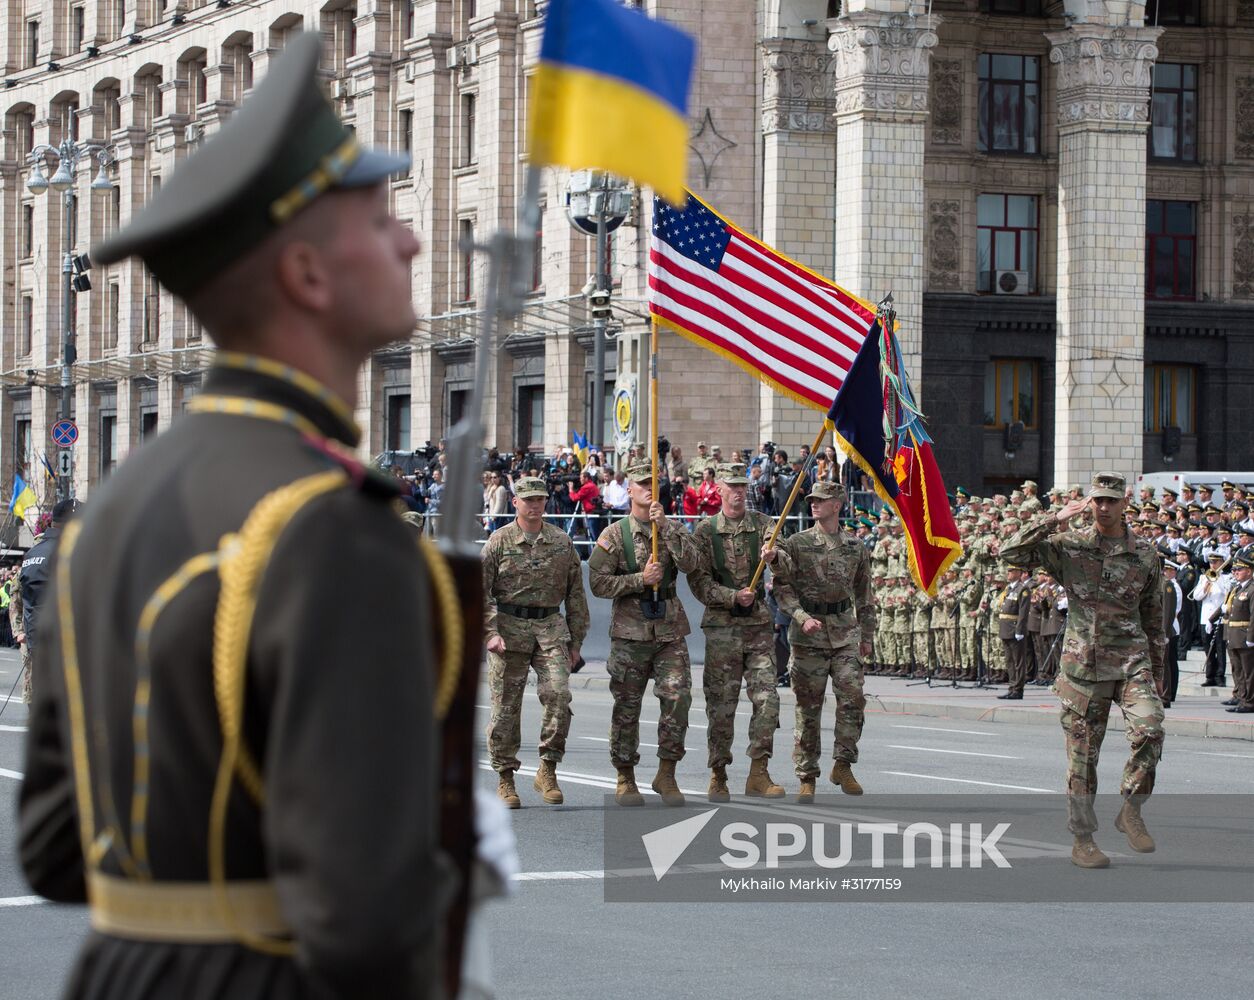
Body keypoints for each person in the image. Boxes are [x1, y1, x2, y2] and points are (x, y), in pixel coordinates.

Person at [19, 37, 462, 998]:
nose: (413, 241)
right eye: (383, 221)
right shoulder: (332, 526)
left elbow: (55, 848)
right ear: (307, 275)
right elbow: (367, 922)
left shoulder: (102, 515)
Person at [1001, 472, 1166, 870]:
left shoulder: (1144, 554)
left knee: (1151, 729)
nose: (1104, 507)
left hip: (1131, 662)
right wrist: (1054, 519)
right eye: (1098, 501)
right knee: (1082, 760)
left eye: (1111, 500)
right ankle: (1084, 839)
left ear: (1125, 503)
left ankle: (1131, 807)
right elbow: (1010, 552)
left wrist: (1158, 670)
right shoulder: (1069, 546)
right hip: (1082, 668)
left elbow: (1153, 615)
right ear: (1089, 503)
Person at [588, 462, 700, 806]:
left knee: (678, 699)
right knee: (627, 706)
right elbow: (597, 582)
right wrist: (639, 580)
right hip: (630, 633)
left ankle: (667, 772)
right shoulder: (614, 535)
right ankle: (625, 775)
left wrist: (666, 527)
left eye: (654, 483)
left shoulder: (671, 527)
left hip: (668, 630)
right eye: (642, 483)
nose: (649, 488)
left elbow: (692, 564)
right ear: (630, 490)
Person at [482, 476, 589, 808]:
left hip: (549, 629)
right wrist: (490, 632)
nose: (534, 504)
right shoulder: (499, 542)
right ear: (515, 503)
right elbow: (478, 593)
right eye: (528, 499)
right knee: (505, 710)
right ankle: (505, 778)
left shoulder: (561, 542)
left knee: (559, 695)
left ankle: (548, 768)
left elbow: (575, 595)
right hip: (508, 631)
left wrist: (576, 643)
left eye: (540, 499)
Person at [768, 481, 875, 802]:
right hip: (808, 636)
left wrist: (867, 636)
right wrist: (801, 616)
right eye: (812, 500)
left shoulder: (856, 547)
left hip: (845, 632)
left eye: (821, 500)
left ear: (838, 505)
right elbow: (781, 587)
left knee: (853, 699)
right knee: (808, 708)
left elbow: (865, 596)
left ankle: (843, 763)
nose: (814, 504)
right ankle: (807, 776)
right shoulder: (798, 543)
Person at [687, 464, 785, 801]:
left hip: (757, 625)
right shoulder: (705, 530)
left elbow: (785, 557)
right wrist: (731, 596)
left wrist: (775, 557)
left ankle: (759, 770)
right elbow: (698, 581)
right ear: (719, 489)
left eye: (743, 485)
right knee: (721, 704)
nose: (739, 491)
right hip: (722, 627)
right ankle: (718, 772)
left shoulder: (762, 525)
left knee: (768, 698)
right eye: (732, 486)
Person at [16, 499, 79, 703]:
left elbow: (19, 597)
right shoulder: (70, 553)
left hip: (36, 639)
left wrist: (20, 631)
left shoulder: (32, 554)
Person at [1221, 554, 1254, 714]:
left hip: (1244, 635)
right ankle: (1242, 699)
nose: (1235, 572)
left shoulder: (1252, 589)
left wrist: (1251, 637)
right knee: (1238, 670)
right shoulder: (1238, 589)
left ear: (1249, 571)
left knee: (1249, 672)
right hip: (1233, 635)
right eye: (1234, 569)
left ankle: (1250, 701)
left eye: (1239, 569)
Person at [1160, 560, 1182, 708]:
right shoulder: (1153, 581)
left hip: (1163, 631)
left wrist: (1165, 633)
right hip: (1151, 630)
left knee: (1163, 663)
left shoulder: (1166, 585)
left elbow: (1168, 612)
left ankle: (1165, 696)